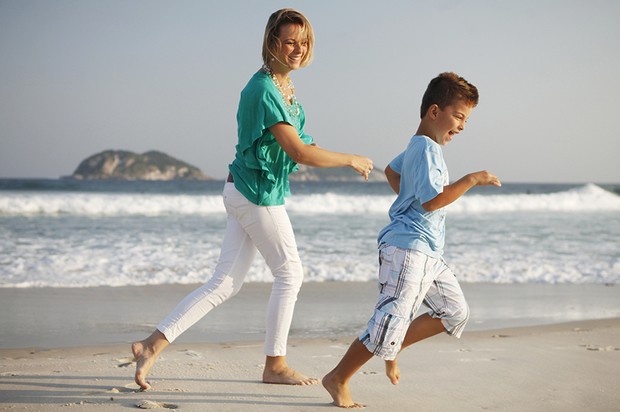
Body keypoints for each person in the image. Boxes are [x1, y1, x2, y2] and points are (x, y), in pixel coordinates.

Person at [131, 8, 374, 391]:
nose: (298, 48)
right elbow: (298, 152)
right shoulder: (263, 90)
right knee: (290, 273)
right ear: (272, 43)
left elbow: (306, 143)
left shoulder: (283, 87)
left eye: (304, 41)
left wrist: (338, 155)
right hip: (255, 195)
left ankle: (151, 344)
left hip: (244, 190)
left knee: (224, 283)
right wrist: (351, 158)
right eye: (290, 41)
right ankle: (275, 364)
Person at [322, 72, 501, 408]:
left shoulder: (417, 146)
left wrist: (406, 202)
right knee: (390, 317)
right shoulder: (427, 150)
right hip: (408, 247)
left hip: (427, 249)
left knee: (453, 311)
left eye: (466, 120)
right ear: (435, 112)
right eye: (459, 116)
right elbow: (433, 200)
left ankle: (394, 346)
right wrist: (471, 179)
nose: (462, 126)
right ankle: (338, 377)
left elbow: (393, 172)